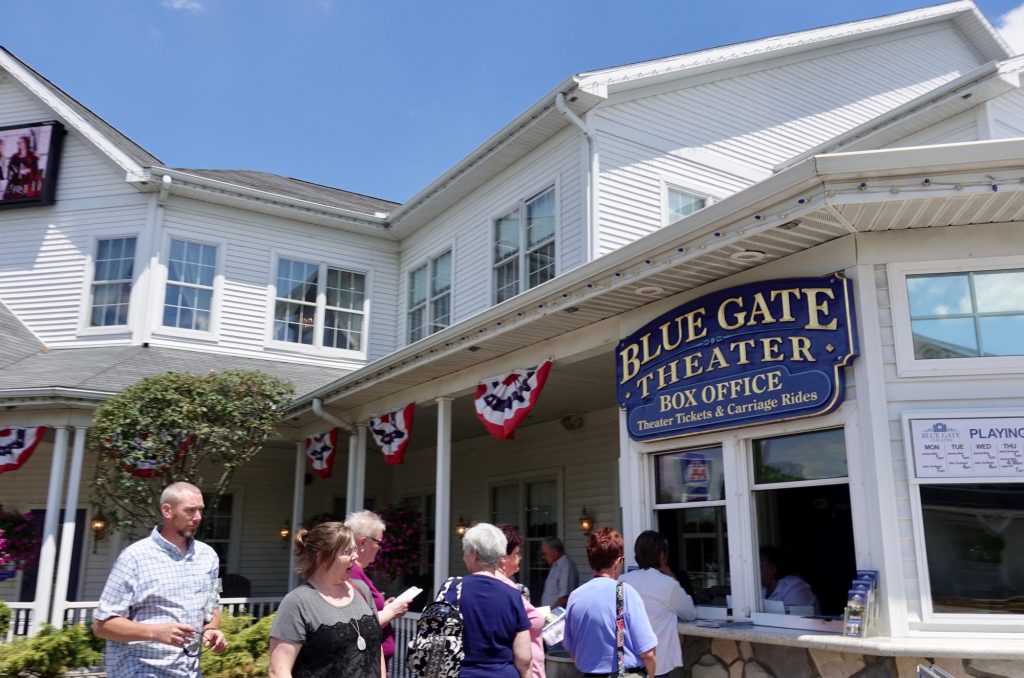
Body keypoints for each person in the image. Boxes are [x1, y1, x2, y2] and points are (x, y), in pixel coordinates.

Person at [93, 481, 228, 678]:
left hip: (189, 672)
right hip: (140, 671)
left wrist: (211, 630)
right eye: (190, 510)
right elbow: (102, 625)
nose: (198, 517)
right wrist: (155, 633)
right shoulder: (134, 557)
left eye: (200, 510)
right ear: (167, 510)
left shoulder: (208, 557)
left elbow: (212, 608)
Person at [269, 522, 384, 678]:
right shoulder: (298, 603)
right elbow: (278, 672)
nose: (355, 556)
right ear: (322, 558)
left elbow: (376, 647)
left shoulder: (362, 590)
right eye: (347, 552)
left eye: (354, 550)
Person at [563, 528, 657, 678]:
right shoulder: (625, 593)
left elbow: (573, 653)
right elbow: (648, 653)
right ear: (617, 562)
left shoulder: (575, 597)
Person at [444, 522, 531, 678]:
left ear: (474, 554)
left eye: (465, 553)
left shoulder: (452, 588)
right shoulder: (513, 595)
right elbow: (524, 658)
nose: (464, 558)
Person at [619, 531, 696, 678]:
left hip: (626, 664)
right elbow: (690, 613)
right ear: (661, 555)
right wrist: (673, 578)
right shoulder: (668, 584)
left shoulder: (621, 581)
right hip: (655, 666)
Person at [344, 510, 411, 669]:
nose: (380, 547)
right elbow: (355, 625)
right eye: (378, 542)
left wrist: (385, 607)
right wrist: (392, 611)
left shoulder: (357, 572)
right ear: (363, 542)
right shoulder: (352, 573)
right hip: (364, 666)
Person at [496, 523, 545, 678]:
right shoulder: (505, 590)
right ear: (503, 558)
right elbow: (523, 658)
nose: (521, 558)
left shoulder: (511, 587)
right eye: (517, 553)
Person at [759, 545, 819, 612]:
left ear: (773, 569)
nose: (755, 571)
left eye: (760, 567)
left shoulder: (794, 587)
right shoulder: (761, 589)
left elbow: (797, 617)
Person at [540, 536, 578, 608]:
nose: (543, 557)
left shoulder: (566, 566)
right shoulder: (556, 565)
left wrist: (550, 612)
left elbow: (564, 597)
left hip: (557, 614)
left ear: (555, 552)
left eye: (544, 553)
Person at [3, 135, 40, 200]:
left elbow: (35, 170)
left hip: (27, 186)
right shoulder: (14, 156)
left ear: (26, 143)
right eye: (18, 142)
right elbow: (9, 171)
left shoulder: (31, 156)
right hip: (14, 185)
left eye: (22, 142)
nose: (19, 144)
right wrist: (19, 172)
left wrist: (29, 169)